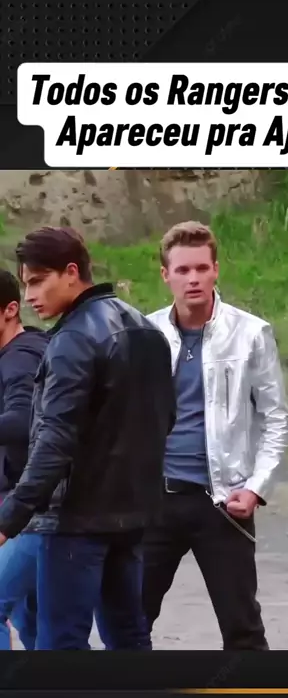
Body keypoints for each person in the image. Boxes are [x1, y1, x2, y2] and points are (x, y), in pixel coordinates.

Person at [0, 226, 176, 650]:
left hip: (75, 521)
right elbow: (165, 418)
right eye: (26, 285)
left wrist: (10, 517)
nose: (30, 296)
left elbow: (53, 439)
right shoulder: (145, 328)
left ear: (71, 272)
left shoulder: (72, 339)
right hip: (131, 515)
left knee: (61, 642)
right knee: (128, 636)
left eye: (38, 281)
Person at [143, 220, 288, 649]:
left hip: (222, 502)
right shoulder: (145, 333)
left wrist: (255, 488)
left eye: (201, 268)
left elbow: (277, 418)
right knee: (130, 618)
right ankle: (130, 692)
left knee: (242, 627)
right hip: (155, 501)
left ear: (216, 270)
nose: (193, 279)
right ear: (165, 275)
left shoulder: (251, 333)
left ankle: (254, 695)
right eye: (182, 270)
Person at [0, 269, 49, 649]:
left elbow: (20, 423)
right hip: (31, 507)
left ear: (10, 310)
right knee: (32, 619)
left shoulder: (20, 358)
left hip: (36, 511)